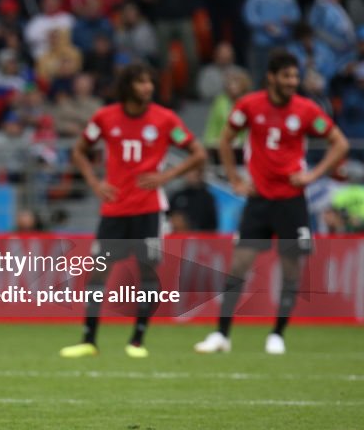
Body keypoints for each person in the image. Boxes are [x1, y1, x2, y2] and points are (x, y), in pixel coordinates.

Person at [195, 51, 348, 355]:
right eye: (287, 76)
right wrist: (234, 180)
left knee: (291, 269)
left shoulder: (305, 109)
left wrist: (313, 175)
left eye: (295, 76)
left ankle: (277, 333)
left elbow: (340, 142)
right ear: (272, 77)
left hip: (292, 202)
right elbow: (225, 140)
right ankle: (221, 334)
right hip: (259, 200)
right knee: (239, 264)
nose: (293, 82)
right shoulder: (250, 105)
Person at [61, 62, 206, 359]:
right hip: (114, 209)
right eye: (141, 82)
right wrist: (94, 181)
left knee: (147, 273)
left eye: (150, 82)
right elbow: (78, 150)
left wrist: (166, 177)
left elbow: (199, 153)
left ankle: (137, 340)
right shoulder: (104, 118)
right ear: (128, 86)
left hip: (148, 210)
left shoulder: (164, 119)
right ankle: (89, 340)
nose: (148, 87)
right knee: (97, 273)